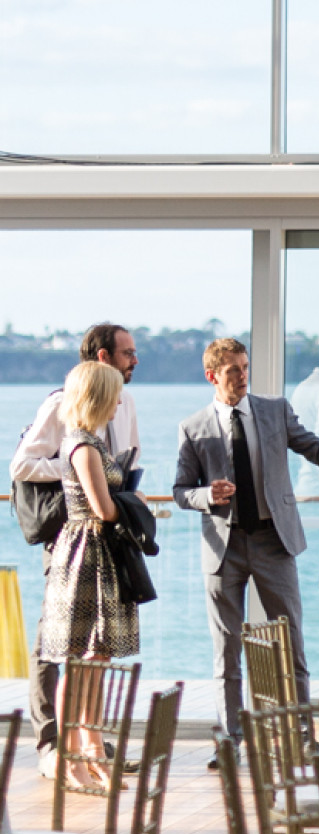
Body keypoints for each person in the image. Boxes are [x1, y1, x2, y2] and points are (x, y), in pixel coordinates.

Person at [174, 335, 319, 763]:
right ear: (212, 377)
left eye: (245, 366)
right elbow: (180, 491)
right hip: (223, 548)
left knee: (291, 643)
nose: (243, 376)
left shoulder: (274, 410)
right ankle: (229, 742)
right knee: (226, 651)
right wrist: (206, 495)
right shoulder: (194, 427)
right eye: (233, 371)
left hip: (274, 541)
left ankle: (302, 736)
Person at [9, 323, 141, 772]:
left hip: (107, 545)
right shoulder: (62, 405)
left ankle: (90, 744)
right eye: (127, 353)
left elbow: (131, 460)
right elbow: (23, 464)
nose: (134, 361)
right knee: (58, 639)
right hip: (72, 537)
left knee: (94, 648)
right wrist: (77, 470)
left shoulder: (126, 403)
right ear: (102, 358)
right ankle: (52, 744)